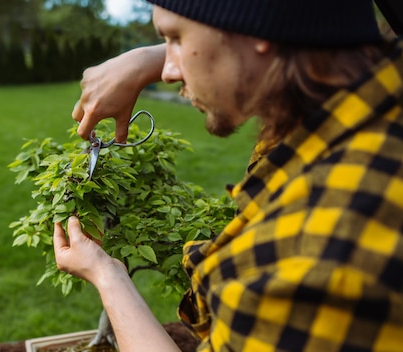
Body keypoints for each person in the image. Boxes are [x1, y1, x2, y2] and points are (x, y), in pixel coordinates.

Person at [54, 0, 403, 351]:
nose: (168, 71)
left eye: (175, 37)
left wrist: (107, 275)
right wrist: (146, 59)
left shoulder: (315, 254)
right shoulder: (364, 110)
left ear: (258, 28)